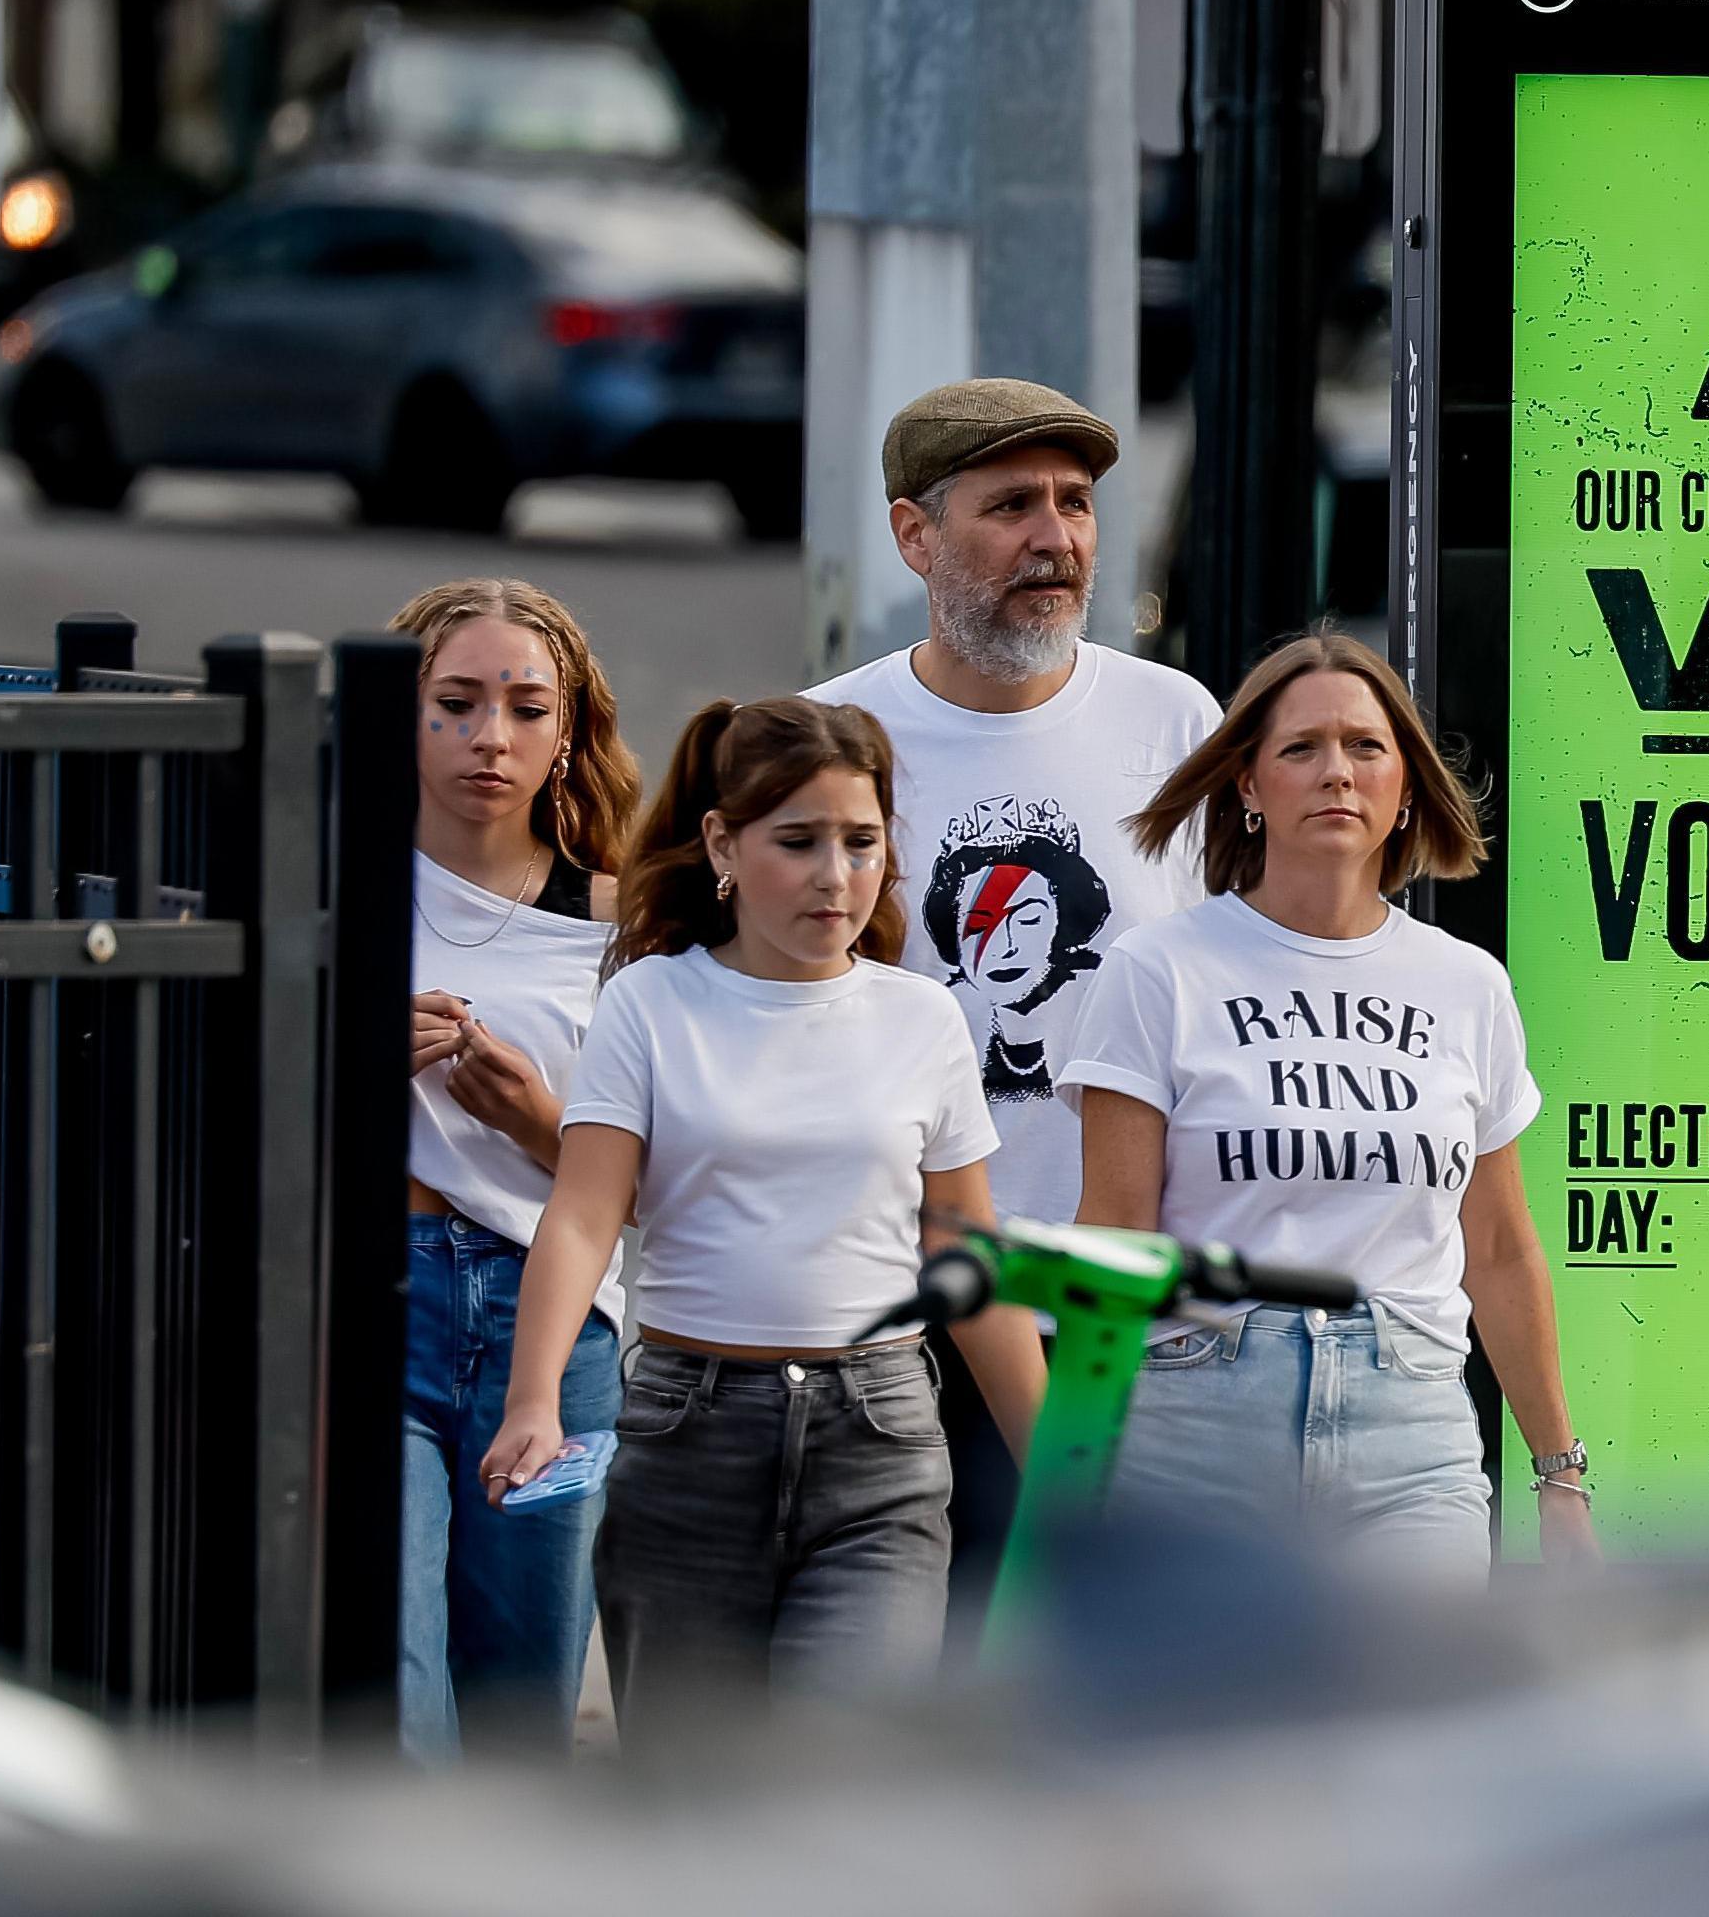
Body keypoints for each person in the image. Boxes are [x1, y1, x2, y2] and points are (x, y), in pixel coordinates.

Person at [483, 698, 1048, 1736]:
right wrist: (533, 1399)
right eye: (797, 841)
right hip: (686, 1437)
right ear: (721, 845)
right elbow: (581, 1214)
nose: (835, 874)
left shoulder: (921, 1017)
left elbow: (969, 1248)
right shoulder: (651, 1002)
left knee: (844, 1790)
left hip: (878, 1444)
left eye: (861, 841)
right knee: (692, 1815)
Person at [1063, 634, 1596, 1580]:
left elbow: (1503, 1250)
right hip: (1197, 1413)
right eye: (1300, 748)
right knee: (1207, 1725)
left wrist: (1560, 1477)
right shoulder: (1158, 971)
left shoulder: (1466, 985)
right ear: (1249, 787)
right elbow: (1113, 1235)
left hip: (1412, 1432)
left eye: (1365, 746)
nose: (1336, 772)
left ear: (1404, 788)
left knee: (1416, 1717)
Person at [805, 379, 1219, 1223]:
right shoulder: (819, 737)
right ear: (914, 534)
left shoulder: (1177, 720)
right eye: (1012, 506)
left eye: (1076, 503)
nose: (1056, 538)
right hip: (891, 1289)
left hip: (1124, 1286)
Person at [391, 576, 641, 1761]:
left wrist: (545, 1119)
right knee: (396, 1684)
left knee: (525, 1700)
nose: (491, 736)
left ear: (568, 730)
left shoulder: (618, 919)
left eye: (526, 707)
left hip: (558, 1333)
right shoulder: (336, 881)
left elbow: (667, 1180)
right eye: (455, 701)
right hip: (377, 1304)